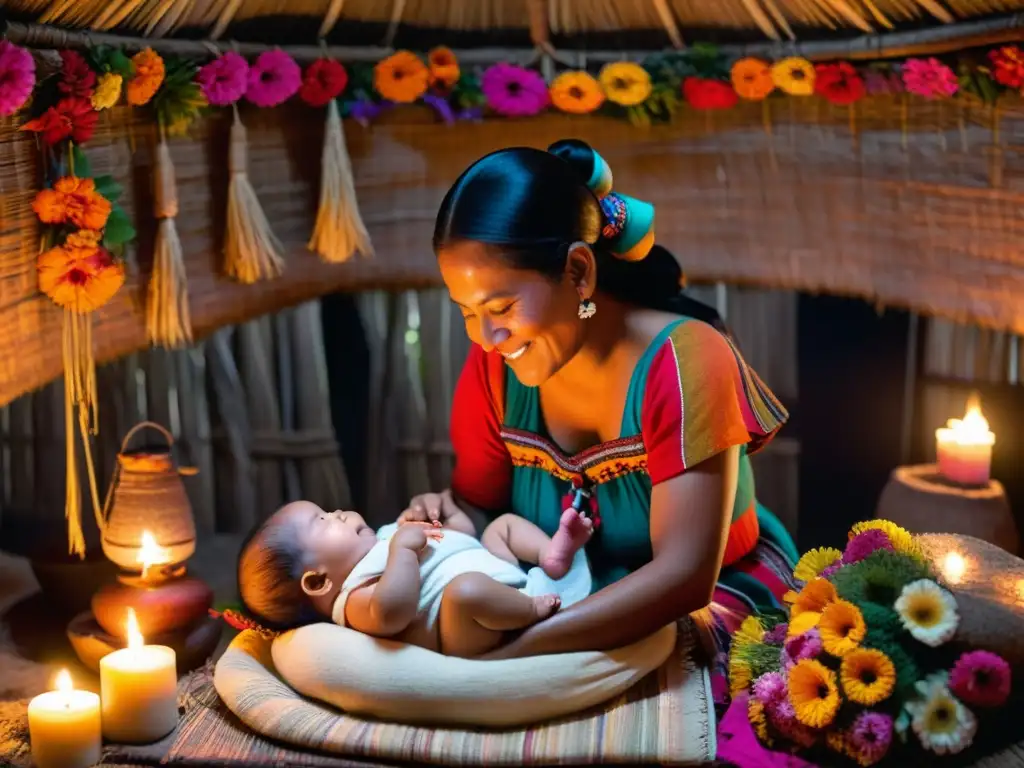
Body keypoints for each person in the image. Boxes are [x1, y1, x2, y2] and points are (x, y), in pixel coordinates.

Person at [400, 139, 800, 700]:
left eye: (500, 308)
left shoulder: (687, 361)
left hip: (695, 603)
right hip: (551, 595)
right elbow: (481, 506)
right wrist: (441, 517)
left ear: (579, 272)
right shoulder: (494, 369)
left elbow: (684, 579)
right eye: (466, 311)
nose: (485, 336)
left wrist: (512, 653)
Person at [235, 500, 594, 657]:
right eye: (324, 520)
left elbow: (457, 537)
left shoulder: (387, 536)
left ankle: (551, 556)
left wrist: (447, 521)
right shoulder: (354, 597)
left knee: (501, 527)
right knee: (463, 591)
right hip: (472, 627)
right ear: (318, 582)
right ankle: (531, 610)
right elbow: (392, 612)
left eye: (329, 510)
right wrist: (402, 552)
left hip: (496, 572)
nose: (339, 512)